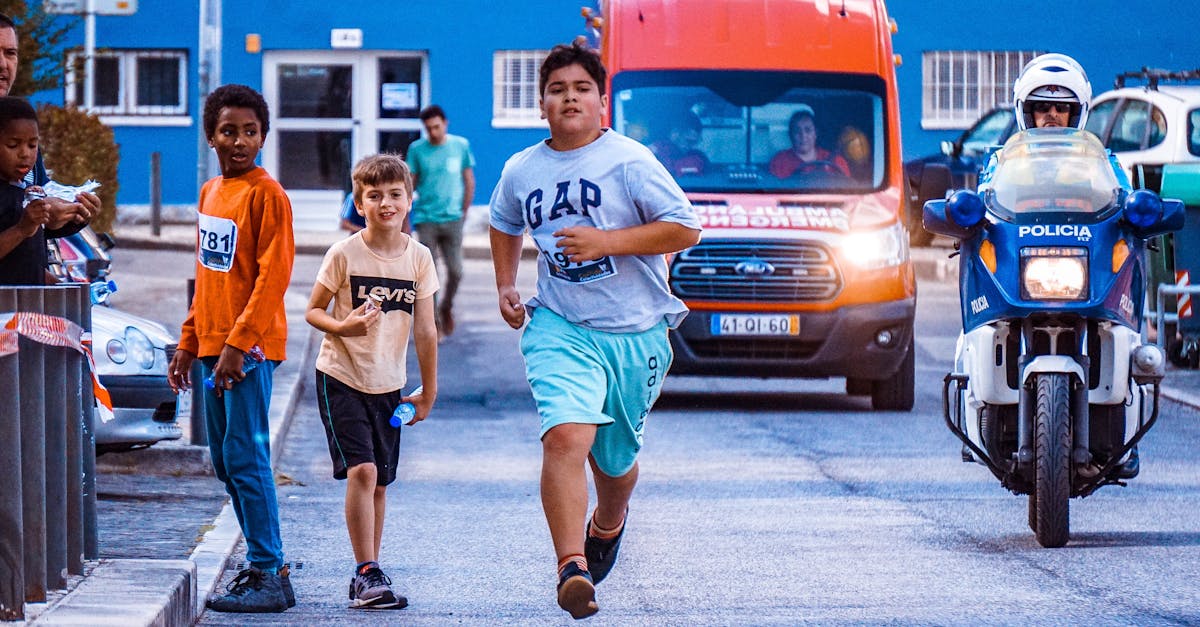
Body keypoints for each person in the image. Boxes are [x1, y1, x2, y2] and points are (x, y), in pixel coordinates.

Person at [489, 40, 701, 620]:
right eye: (557, 90)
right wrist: (507, 284)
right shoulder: (522, 168)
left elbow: (685, 229)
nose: (570, 98)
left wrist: (607, 241)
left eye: (582, 88)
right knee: (564, 437)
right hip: (560, 324)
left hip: (634, 332)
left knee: (614, 461)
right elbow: (503, 221)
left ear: (601, 101)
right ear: (541, 104)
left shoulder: (629, 160)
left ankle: (608, 522)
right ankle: (571, 566)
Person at [166, 84, 296, 614]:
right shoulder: (210, 193)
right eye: (228, 131)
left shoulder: (268, 195)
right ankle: (265, 565)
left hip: (248, 350)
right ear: (211, 136)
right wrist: (189, 339)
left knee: (246, 456)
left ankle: (270, 569)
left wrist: (240, 345)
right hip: (211, 348)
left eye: (249, 131)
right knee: (224, 460)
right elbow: (207, 274)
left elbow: (272, 278)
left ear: (263, 136)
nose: (239, 141)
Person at [305, 153, 439, 610]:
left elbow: (426, 329)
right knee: (361, 470)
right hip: (340, 375)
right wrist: (344, 327)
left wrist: (429, 392)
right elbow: (314, 309)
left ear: (408, 200)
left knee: (379, 481)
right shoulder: (344, 253)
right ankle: (366, 571)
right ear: (358, 203)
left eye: (394, 195)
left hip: (389, 383)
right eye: (374, 195)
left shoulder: (419, 257)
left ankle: (371, 569)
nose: (385, 203)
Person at [0, 13, 100, 284]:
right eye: (13, 145)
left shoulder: (22, 131)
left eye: (10, 53)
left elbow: (25, 229)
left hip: (24, 313)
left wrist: (68, 217)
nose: (3, 64)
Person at [406, 104, 475, 338]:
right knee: (429, 274)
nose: (433, 132)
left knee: (456, 270)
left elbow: (468, 179)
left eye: (436, 127)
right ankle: (433, 321)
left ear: (445, 123)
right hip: (427, 219)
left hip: (453, 218)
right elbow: (409, 184)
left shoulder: (460, 146)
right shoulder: (417, 150)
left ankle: (446, 307)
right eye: (428, 129)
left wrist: (464, 210)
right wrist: (404, 216)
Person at [768, 105, 851, 179]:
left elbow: (848, 192)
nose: (803, 136)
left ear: (815, 134)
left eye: (808, 130)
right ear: (791, 135)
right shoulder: (780, 162)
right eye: (797, 131)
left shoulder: (836, 161)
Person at [648, 110, 709, 176]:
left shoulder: (698, 158)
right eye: (688, 141)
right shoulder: (652, 153)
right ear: (675, 133)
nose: (691, 146)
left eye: (695, 142)